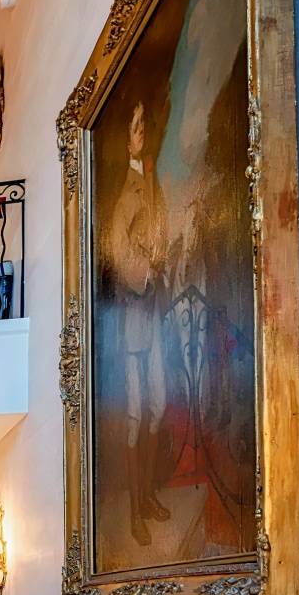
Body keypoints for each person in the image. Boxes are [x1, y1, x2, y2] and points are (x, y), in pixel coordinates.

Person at [108, 101, 171, 546]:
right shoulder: (124, 192)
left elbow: (159, 231)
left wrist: (161, 257)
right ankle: (134, 512)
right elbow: (117, 247)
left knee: (159, 405)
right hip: (132, 317)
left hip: (154, 313)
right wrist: (147, 271)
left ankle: (148, 496)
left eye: (144, 124)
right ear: (125, 138)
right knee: (134, 414)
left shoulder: (151, 181)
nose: (141, 132)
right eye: (135, 126)